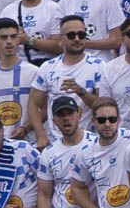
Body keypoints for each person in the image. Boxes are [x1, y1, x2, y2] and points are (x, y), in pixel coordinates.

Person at [28, 15, 105, 148]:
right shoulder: (48, 67)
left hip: (88, 144)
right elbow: (33, 104)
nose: (77, 39)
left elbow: (103, 107)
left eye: (81, 35)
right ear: (62, 38)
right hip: (55, 144)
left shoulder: (99, 66)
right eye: (71, 35)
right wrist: (41, 135)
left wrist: (81, 92)